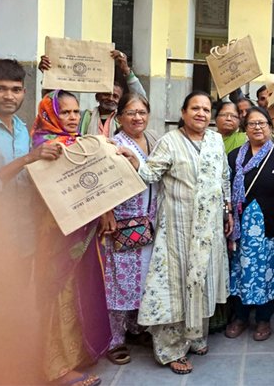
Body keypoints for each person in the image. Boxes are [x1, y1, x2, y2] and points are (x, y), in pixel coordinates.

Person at [120, 91, 233, 375]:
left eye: (206, 109)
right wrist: (134, 162)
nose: (201, 114)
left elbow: (224, 177)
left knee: (201, 282)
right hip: (178, 230)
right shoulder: (170, 142)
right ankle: (170, 349)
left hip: (208, 231)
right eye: (195, 108)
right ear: (183, 112)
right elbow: (149, 174)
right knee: (175, 286)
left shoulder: (215, 140)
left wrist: (227, 209)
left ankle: (194, 336)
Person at [0, 60, 65, 385]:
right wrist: (29, 158)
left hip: (24, 236)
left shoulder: (21, 127)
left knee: (18, 304)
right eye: (1, 88)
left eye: (16, 89)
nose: (9, 95)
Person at [31, 90, 111, 386]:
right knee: (59, 293)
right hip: (57, 237)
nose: (73, 117)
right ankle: (57, 368)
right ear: (50, 114)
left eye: (76, 112)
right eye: (65, 112)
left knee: (80, 290)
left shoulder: (75, 145)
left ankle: (75, 353)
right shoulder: (44, 146)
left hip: (83, 232)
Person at [101, 93, 160, 365]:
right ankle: (115, 340)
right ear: (120, 116)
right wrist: (107, 212)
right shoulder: (113, 144)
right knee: (119, 281)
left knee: (144, 279)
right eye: (131, 113)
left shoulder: (153, 141)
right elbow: (102, 183)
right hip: (123, 221)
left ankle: (136, 329)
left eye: (142, 112)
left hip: (149, 222)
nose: (138, 117)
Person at [225, 106, 274, 341]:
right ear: (245, 128)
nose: (257, 127)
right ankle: (240, 317)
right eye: (252, 123)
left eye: (262, 123)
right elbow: (226, 190)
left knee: (267, 273)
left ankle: (264, 319)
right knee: (241, 271)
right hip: (241, 228)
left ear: (270, 128)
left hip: (269, 227)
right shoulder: (234, 157)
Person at [39, 50, 148, 138]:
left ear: (120, 100)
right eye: (106, 94)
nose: (110, 99)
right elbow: (52, 107)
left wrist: (126, 71)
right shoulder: (81, 117)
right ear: (97, 96)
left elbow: (141, 100)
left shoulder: (124, 120)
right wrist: (48, 74)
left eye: (115, 96)